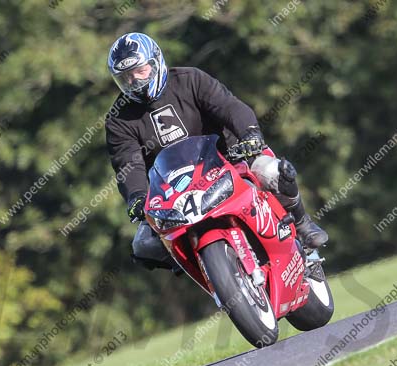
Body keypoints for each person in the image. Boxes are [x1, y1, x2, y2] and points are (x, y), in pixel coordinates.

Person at [104, 32, 328, 271]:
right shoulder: (118, 119)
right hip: (176, 191)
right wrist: (137, 197)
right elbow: (127, 163)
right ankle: (203, 267)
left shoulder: (191, 79)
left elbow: (229, 107)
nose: (134, 81)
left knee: (272, 171)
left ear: (156, 61)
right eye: (125, 77)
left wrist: (250, 134)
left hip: (230, 159)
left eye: (140, 71)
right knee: (143, 244)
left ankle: (303, 226)